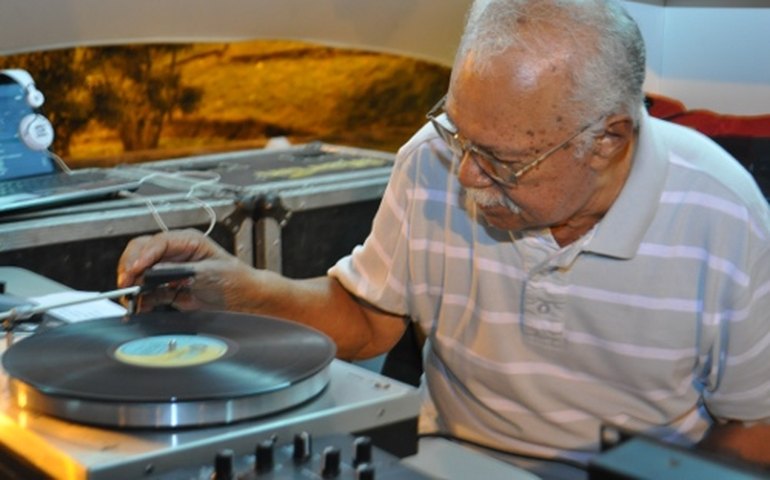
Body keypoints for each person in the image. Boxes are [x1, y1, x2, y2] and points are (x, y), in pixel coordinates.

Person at [118, 0, 770, 475]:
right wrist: (240, 290)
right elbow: (369, 319)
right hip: (450, 460)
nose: (464, 175)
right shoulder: (430, 160)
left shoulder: (722, 210)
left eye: (504, 160)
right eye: (457, 133)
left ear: (609, 140)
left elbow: (757, 427)